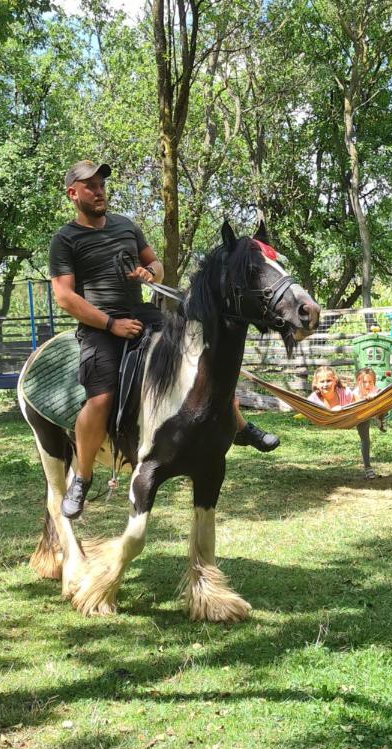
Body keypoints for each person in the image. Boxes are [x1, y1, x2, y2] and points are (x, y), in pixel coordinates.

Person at [50, 160, 279, 519]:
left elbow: (156, 265)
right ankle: (82, 476)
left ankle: (239, 425)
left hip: (144, 315)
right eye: (90, 186)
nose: (98, 191)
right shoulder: (65, 239)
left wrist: (148, 273)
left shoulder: (127, 226)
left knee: (201, 357)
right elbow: (65, 297)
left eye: (101, 185)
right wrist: (111, 325)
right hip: (99, 330)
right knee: (101, 397)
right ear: (72, 193)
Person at [308, 366, 377, 479]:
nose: (326, 384)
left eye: (329, 380)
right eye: (322, 381)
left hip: (354, 415)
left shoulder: (345, 392)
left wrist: (370, 399)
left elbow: (361, 402)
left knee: (365, 437)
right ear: (316, 383)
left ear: (335, 381)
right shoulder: (313, 399)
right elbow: (307, 410)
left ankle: (368, 467)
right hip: (330, 419)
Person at [353, 367, 387, 432]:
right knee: (363, 422)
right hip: (362, 413)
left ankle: (380, 419)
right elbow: (355, 403)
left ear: (374, 382)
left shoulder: (374, 388)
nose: (367, 385)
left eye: (370, 382)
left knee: (383, 402)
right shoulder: (356, 392)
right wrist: (363, 399)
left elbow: (379, 393)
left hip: (375, 409)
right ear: (358, 382)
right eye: (364, 382)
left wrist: (374, 396)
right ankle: (365, 441)